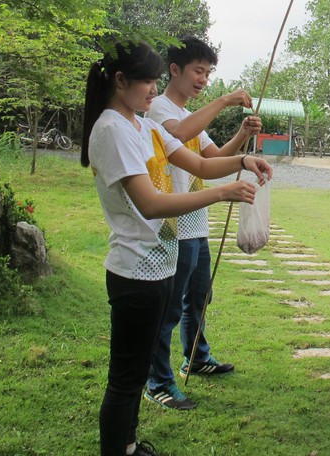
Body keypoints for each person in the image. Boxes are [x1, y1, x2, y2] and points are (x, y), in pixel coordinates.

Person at [81, 42, 272, 456]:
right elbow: (149, 203)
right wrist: (221, 195)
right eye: (148, 81)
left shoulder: (144, 126)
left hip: (159, 266)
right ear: (120, 82)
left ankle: (129, 445)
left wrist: (243, 162)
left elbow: (201, 165)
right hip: (134, 268)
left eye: (153, 82)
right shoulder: (112, 129)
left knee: (133, 372)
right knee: (127, 377)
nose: (153, 90)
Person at [143, 36, 262, 410]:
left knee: (198, 298)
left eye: (209, 73)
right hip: (174, 225)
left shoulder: (193, 119)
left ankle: (196, 356)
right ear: (174, 69)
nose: (203, 80)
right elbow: (179, 134)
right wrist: (225, 100)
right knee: (170, 307)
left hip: (196, 225)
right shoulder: (159, 110)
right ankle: (157, 379)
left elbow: (211, 160)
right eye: (198, 71)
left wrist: (243, 139)